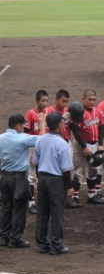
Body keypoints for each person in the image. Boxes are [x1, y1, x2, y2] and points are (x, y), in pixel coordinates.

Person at [0, 114, 44, 248]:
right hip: (19, 178)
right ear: (18, 125)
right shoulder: (22, 138)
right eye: (22, 125)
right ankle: (16, 238)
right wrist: (42, 124)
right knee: (19, 208)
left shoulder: (1, 138)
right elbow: (43, 140)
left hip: (5, 177)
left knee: (6, 207)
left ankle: (4, 237)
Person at [33, 112, 73, 255]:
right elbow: (66, 169)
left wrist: (40, 179)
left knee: (42, 212)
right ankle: (56, 245)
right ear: (59, 125)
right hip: (56, 181)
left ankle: (42, 244)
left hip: (42, 178)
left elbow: (36, 163)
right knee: (57, 212)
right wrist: (70, 186)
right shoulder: (62, 143)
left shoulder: (40, 140)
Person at [70, 89, 104, 205]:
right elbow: (75, 132)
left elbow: (101, 128)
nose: (92, 102)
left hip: (95, 145)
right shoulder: (79, 113)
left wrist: (101, 144)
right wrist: (84, 147)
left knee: (93, 170)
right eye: (89, 99)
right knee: (79, 171)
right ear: (83, 99)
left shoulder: (98, 112)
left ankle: (91, 196)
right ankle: (74, 197)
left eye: (94, 100)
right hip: (81, 145)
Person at [25, 90, 50, 214]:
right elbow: (25, 134)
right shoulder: (30, 114)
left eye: (46, 101)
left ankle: (42, 201)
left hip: (45, 147)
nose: (44, 103)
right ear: (36, 101)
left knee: (42, 174)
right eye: (42, 101)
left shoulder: (48, 113)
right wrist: (29, 152)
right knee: (31, 176)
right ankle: (31, 203)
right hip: (33, 147)